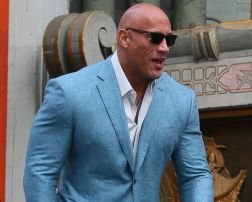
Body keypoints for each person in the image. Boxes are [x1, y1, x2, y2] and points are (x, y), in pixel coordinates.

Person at [23, 3, 214, 202]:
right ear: (124, 38)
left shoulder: (182, 100)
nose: (164, 48)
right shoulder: (69, 92)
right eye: (155, 38)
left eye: (169, 39)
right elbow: (40, 171)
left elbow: (196, 175)